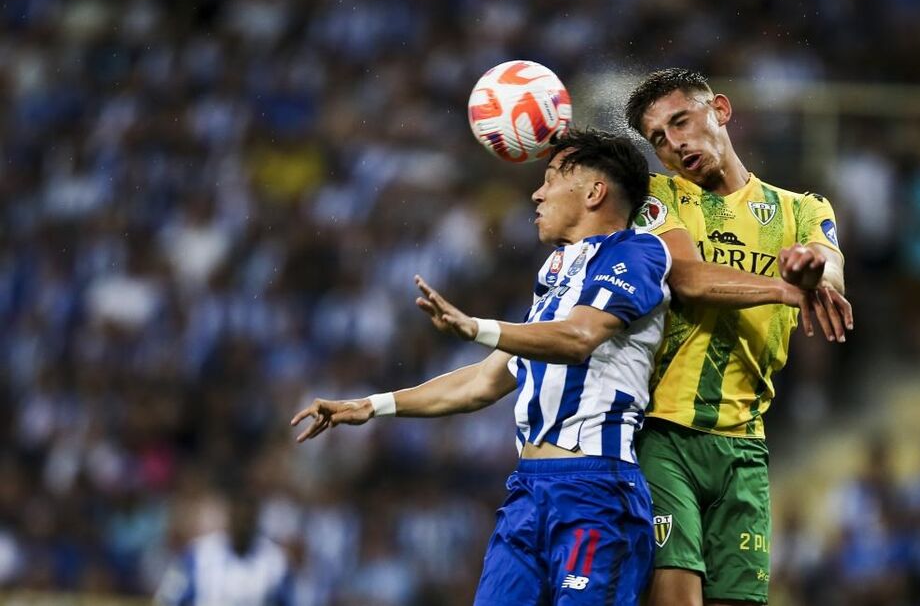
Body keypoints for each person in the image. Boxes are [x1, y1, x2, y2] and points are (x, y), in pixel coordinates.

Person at [292, 129, 668, 605]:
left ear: (595, 193)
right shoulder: (556, 277)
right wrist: (372, 405)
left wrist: (477, 327)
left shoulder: (636, 252)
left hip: (596, 490)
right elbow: (482, 381)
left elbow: (579, 339)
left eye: (551, 178)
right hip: (528, 496)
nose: (537, 192)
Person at [623, 68, 853, 606]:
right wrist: (783, 288)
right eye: (658, 138)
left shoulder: (802, 209)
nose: (674, 144)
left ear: (720, 111)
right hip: (665, 436)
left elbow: (832, 268)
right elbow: (689, 278)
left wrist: (813, 270)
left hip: (745, 447)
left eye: (680, 121)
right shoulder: (659, 198)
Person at [155, 494, 294, 606]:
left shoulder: (274, 559)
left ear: (256, 520)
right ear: (229, 518)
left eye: (247, 519)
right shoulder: (199, 554)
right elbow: (168, 598)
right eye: (238, 518)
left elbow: (287, 600)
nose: (242, 524)